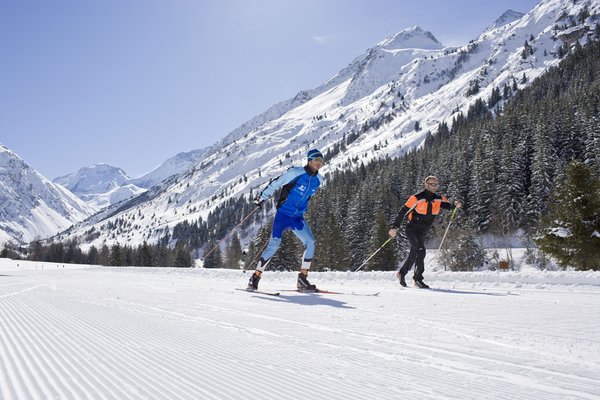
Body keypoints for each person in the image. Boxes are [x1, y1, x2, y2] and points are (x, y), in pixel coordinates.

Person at [247, 149, 324, 291]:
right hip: (283, 215)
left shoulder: (319, 180)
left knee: (311, 242)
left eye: (321, 160)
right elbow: (276, 183)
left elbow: (307, 198)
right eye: (316, 159)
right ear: (309, 160)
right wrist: (261, 197)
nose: (319, 162)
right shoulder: (295, 172)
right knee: (274, 244)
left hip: (298, 218)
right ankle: (255, 277)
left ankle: (302, 279)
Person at [389, 176, 461, 288]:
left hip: (423, 232)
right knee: (421, 251)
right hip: (412, 229)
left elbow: (449, 206)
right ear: (426, 184)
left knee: (414, 254)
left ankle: (401, 273)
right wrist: (395, 227)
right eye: (433, 184)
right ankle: (417, 279)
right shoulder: (417, 198)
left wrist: (456, 205)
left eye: (437, 185)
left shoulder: (438, 198)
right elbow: (403, 211)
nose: (435, 187)